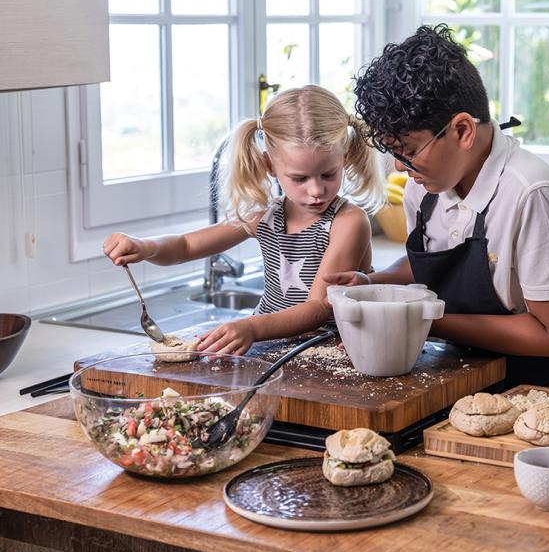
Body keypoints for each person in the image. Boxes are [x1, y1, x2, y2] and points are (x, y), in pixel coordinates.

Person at [326, 25, 549, 391]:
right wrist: (373, 283)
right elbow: (434, 258)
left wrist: (419, 319)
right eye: (394, 153)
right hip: (478, 371)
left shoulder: (532, 195)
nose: (400, 166)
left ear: (462, 131)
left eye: (409, 151)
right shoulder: (428, 185)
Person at [103, 85, 383, 356]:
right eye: (300, 178)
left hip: (328, 354)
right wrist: (144, 247)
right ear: (269, 165)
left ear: (344, 159)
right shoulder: (266, 216)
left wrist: (251, 327)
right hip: (270, 349)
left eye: (328, 174)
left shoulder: (348, 222)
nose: (316, 190)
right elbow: (186, 246)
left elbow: (318, 308)